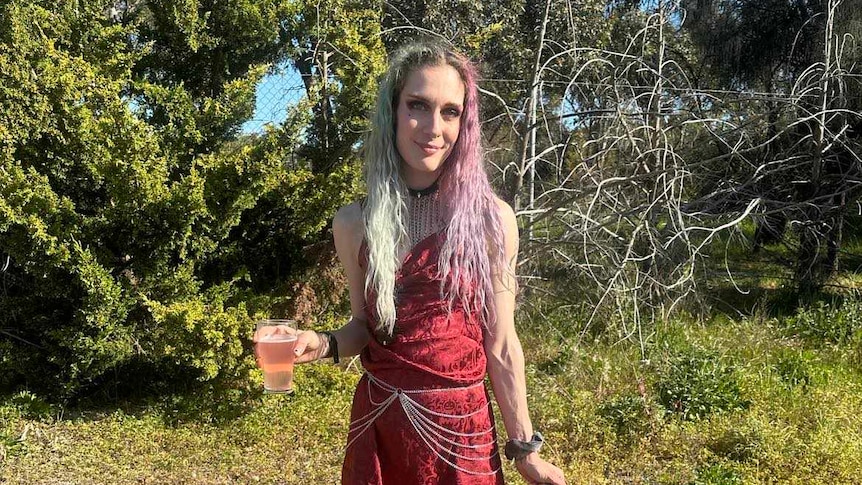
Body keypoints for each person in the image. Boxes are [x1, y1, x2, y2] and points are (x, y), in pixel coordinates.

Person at [263, 40, 566, 485]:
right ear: (393, 111)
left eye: (450, 111)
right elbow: (365, 327)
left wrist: (525, 450)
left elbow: (501, 344)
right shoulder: (354, 223)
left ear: (466, 123)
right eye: (417, 106)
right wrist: (323, 343)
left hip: (462, 438)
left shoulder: (490, 222)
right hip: (381, 430)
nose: (432, 127)